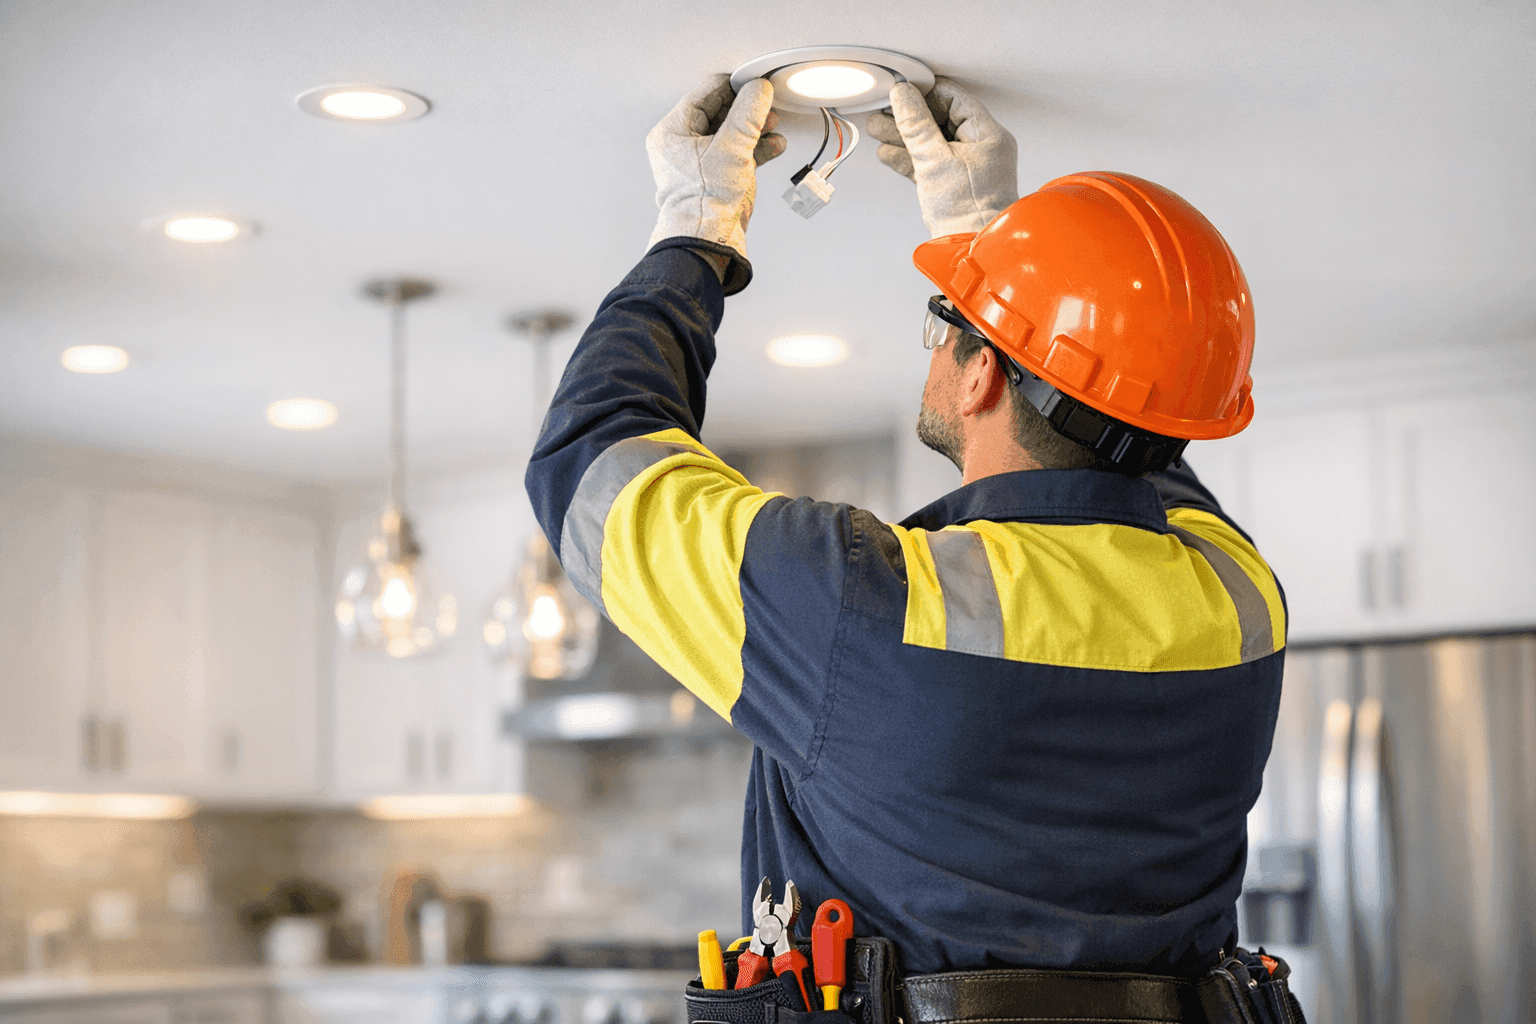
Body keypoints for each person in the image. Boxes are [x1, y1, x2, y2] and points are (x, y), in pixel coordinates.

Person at [524, 73, 1288, 1013]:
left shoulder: (864, 605)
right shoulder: (1237, 599)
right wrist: (998, 256)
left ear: (978, 382)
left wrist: (695, 232)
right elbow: (1131, 431)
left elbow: (591, 469)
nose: (935, 344)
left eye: (946, 326)